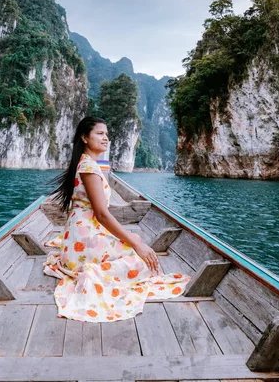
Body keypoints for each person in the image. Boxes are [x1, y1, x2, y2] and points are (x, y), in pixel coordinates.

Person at [43, 116, 190, 322]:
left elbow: (99, 215)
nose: (106, 139)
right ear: (85, 138)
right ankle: (94, 272)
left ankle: (101, 260)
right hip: (84, 238)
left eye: (107, 135)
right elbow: (102, 215)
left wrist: (131, 239)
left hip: (79, 236)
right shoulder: (89, 168)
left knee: (135, 242)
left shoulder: (86, 164)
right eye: (100, 134)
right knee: (142, 259)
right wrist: (135, 244)